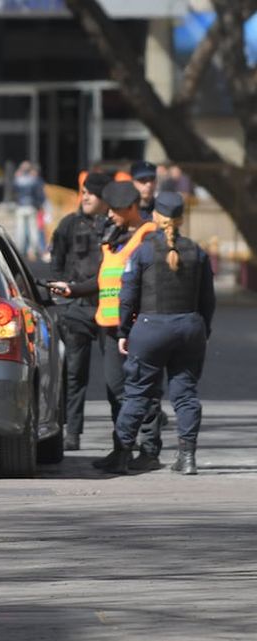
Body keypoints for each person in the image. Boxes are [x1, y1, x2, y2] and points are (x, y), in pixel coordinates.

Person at [48, 180, 163, 471]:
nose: (109, 214)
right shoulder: (116, 236)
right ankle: (121, 448)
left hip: (137, 326)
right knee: (116, 389)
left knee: (142, 388)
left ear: (131, 208)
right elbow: (103, 279)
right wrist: (72, 290)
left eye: (115, 209)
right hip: (111, 325)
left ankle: (149, 450)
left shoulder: (149, 237)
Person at [111, 192, 215, 474]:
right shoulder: (198, 252)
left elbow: (127, 297)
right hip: (190, 328)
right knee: (186, 394)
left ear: (156, 216)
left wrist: (124, 330)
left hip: (150, 329)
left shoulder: (142, 252)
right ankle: (188, 457)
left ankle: (121, 456)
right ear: (181, 219)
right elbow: (208, 299)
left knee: (138, 393)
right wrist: (203, 330)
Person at [49, 172, 111, 450]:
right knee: (74, 374)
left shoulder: (115, 226)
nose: (84, 197)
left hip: (109, 307)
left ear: (104, 198)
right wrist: (61, 293)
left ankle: (124, 436)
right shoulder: (69, 224)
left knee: (116, 377)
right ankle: (72, 433)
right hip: (77, 309)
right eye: (83, 192)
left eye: (91, 193)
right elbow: (56, 260)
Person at [11, 160, 46, 261]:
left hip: (21, 206)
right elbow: (39, 193)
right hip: (31, 206)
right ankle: (31, 250)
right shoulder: (33, 179)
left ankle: (20, 250)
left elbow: (13, 191)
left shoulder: (18, 179)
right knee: (32, 230)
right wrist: (39, 205)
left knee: (20, 229)